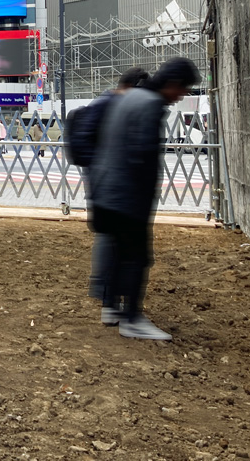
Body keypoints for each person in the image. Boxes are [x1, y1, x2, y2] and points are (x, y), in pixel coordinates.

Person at [89, 58, 200, 340]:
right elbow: (143, 155)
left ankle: (111, 307)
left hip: (105, 190)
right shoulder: (150, 105)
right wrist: (145, 198)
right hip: (127, 195)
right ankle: (132, 318)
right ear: (173, 83)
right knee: (137, 257)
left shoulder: (130, 97)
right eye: (183, 90)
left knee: (116, 251)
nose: (181, 96)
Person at [80, 67, 149, 319]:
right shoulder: (108, 105)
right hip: (106, 185)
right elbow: (88, 142)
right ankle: (108, 301)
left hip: (108, 184)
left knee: (112, 241)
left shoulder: (108, 103)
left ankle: (110, 301)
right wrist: (102, 169)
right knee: (110, 241)